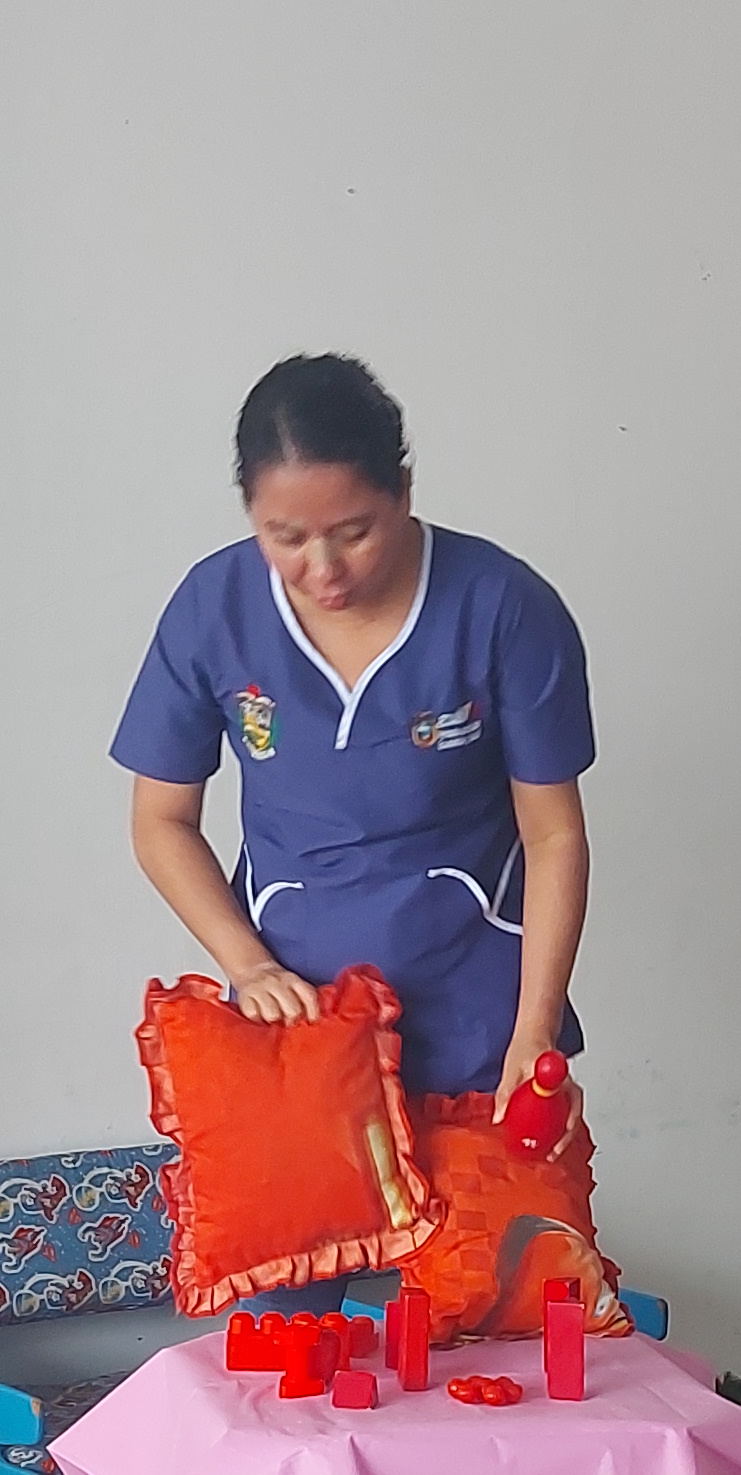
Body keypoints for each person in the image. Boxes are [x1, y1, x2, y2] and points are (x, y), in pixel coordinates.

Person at [116, 354, 597, 1126]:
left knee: (490, 1208)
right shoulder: (214, 610)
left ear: (403, 491)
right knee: (304, 1207)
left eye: (354, 532)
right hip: (300, 1024)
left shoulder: (503, 607)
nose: (323, 569)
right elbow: (160, 822)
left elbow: (554, 835)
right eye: (286, 537)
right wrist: (249, 965)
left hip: (478, 1018)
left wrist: (532, 1029)